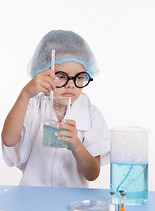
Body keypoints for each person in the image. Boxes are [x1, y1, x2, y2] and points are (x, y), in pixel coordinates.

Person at [1, 30, 110, 188]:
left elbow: (92, 174)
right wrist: (24, 95)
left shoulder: (91, 115)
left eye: (79, 77)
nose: (71, 84)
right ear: (43, 74)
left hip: (71, 201)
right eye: (61, 76)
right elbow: (8, 140)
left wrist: (77, 146)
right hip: (32, 196)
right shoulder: (31, 106)